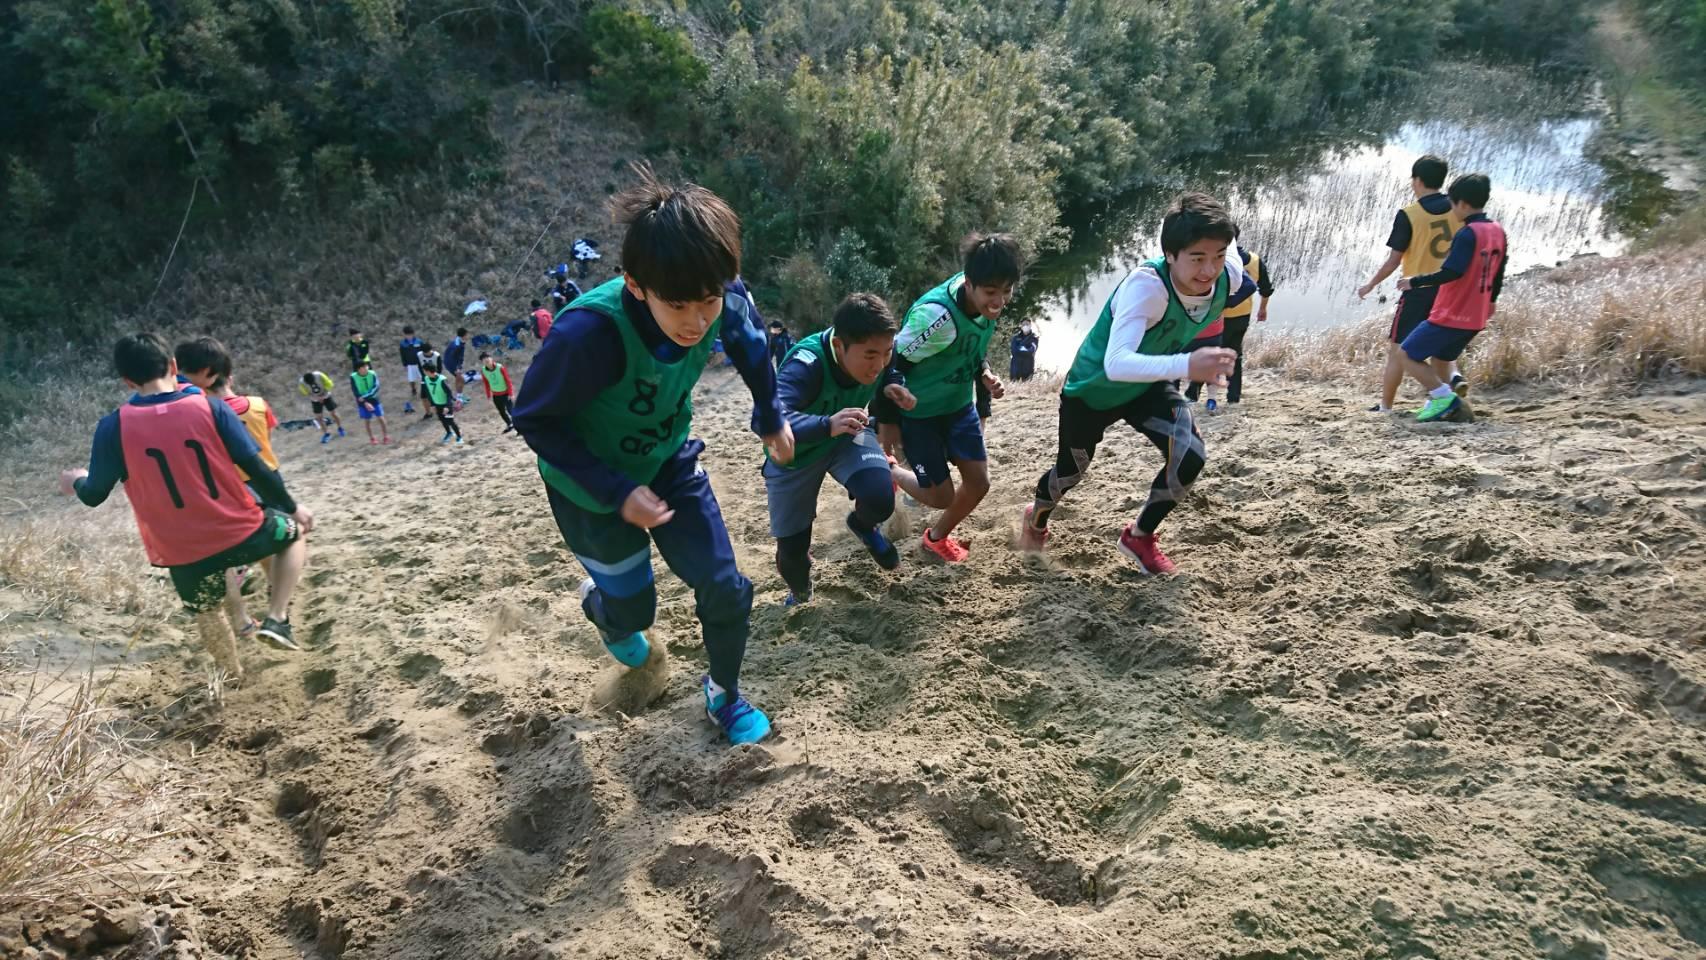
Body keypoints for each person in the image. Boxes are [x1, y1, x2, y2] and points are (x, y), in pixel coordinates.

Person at [513, 166, 794, 746]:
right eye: (678, 305)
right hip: (589, 490)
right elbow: (535, 418)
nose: (697, 322)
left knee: (726, 585)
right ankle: (604, 610)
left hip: (669, 461)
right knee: (634, 612)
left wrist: (771, 416)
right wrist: (617, 492)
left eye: (709, 301)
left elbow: (750, 341)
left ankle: (724, 695)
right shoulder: (588, 335)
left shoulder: (722, 294)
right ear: (636, 285)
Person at [58, 334, 314, 678]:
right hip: (239, 530)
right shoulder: (211, 408)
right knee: (294, 534)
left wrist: (76, 479)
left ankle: (233, 677)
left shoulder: (113, 427)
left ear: (128, 381)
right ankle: (277, 618)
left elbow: (93, 495)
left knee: (208, 612)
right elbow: (257, 469)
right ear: (173, 366)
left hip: (181, 551)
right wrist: (292, 508)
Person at [1016, 192, 1243, 574]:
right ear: (1169, 254)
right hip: (1093, 390)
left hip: (1147, 383)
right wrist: (1189, 364)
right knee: (1070, 472)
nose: (1209, 269)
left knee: (1190, 455)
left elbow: (1230, 242)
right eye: (1197, 258)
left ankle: (1139, 536)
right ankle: (1036, 517)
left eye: (1218, 256)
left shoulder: (1229, 275)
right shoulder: (1148, 287)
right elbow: (1117, 363)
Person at [873, 232, 1023, 564]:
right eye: (991, 292)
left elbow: (971, 349)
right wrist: (888, 422)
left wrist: (984, 374)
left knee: (979, 483)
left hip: (958, 406)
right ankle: (891, 471)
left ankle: (935, 539)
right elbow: (890, 361)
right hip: (921, 416)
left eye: (1007, 290)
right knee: (940, 496)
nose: (999, 301)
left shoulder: (983, 297)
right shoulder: (936, 318)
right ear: (969, 283)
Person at [767, 293, 918, 605]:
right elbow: (771, 418)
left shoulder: (882, 356)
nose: (878, 365)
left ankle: (862, 526)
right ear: (839, 346)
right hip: (795, 454)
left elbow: (891, 368)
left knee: (879, 497)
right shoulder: (805, 364)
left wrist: (894, 383)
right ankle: (800, 593)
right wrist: (826, 424)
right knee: (793, 553)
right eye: (870, 356)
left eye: (886, 352)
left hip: (847, 433)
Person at [175, 336, 287, 644]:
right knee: (273, 542)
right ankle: (276, 597)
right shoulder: (258, 405)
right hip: (267, 480)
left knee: (223, 557)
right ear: (229, 376)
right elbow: (265, 441)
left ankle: (242, 620)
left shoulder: (202, 413)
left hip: (228, 489)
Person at [1356, 154, 1466, 412]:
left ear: (1416, 181)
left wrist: (1370, 284)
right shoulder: (1458, 210)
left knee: (1398, 351)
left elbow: (1394, 261)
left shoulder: (1409, 214)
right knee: (1442, 352)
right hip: (1450, 291)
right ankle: (1452, 384)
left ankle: (1386, 407)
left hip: (1418, 292)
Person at [1396, 173, 1506, 423]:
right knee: (1442, 359)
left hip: (1453, 313)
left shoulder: (1468, 234)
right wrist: (1492, 301)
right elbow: (1499, 271)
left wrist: (1414, 281)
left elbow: (1452, 272)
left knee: (1406, 355)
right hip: (1476, 315)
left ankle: (1445, 398)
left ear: (1463, 204)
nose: (1452, 210)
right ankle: (1445, 404)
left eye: (1453, 204)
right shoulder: (1497, 231)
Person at [1219, 238, 1273, 406]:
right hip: (1242, 316)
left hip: (1218, 316)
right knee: (1235, 355)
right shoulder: (1254, 260)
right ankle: (1233, 396)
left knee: (1208, 351)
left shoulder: (1218, 259)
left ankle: (1194, 393)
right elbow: (1266, 289)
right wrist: (1262, 309)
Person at [350, 359, 391, 444]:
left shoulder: (372, 373)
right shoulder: (353, 377)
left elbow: (376, 387)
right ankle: (372, 438)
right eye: (364, 366)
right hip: (362, 401)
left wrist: (365, 397)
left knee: (380, 417)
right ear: (359, 369)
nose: (367, 367)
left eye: (366, 366)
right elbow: (355, 391)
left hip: (373, 398)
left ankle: (386, 436)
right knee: (367, 420)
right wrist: (364, 402)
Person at [299, 370, 345, 443]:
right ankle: (326, 434)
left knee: (333, 413)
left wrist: (323, 396)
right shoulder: (302, 382)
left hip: (326, 395)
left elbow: (330, 384)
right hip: (315, 399)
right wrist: (316, 398)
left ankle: (340, 428)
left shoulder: (319, 375)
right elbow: (305, 393)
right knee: (319, 417)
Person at [422, 363, 464, 443]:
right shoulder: (426, 379)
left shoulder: (442, 380)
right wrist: (432, 405)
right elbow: (428, 392)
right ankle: (449, 433)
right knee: (442, 420)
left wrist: (447, 406)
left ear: (428, 371)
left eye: (424, 371)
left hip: (446, 404)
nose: (424, 372)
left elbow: (449, 393)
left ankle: (459, 437)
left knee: (450, 421)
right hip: (437, 404)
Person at [478, 352, 518, 434]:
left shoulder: (500, 367)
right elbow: (486, 383)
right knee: (502, 411)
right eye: (484, 359)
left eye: (487, 358)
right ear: (482, 362)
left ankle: (520, 426)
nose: (486, 360)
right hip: (496, 395)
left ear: (491, 358)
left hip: (506, 393)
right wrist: (488, 395)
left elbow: (508, 380)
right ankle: (509, 424)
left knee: (511, 411)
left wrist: (511, 394)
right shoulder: (483, 370)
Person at [400, 326, 425, 413]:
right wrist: (405, 364)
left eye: (410, 334)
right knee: (411, 379)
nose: (409, 336)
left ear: (413, 334)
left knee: (423, 378)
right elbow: (402, 355)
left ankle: (424, 390)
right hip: (410, 364)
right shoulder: (403, 344)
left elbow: (423, 351)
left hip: (419, 364)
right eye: (407, 335)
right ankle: (413, 389)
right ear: (404, 335)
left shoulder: (419, 342)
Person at [417, 343, 442, 419]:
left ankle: (440, 413)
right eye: (425, 352)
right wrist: (424, 376)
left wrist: (434, 378)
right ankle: (428, 413)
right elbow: (420, 366)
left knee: (436, 396)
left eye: (428, 352)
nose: (427, 353)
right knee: (424, 397)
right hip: (425, 378)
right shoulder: (419, 355)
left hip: (434, 378)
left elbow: (439, 369)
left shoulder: (437, 356)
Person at [446, 327, 468, 398]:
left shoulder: (457, 341)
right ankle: (459, 397)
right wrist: (457, 368)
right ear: (464, 335)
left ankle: (459, 396)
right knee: (462, 380)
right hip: (452, 365)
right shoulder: (458, 345)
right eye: (467, 335)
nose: (467, 336)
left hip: (449, 363)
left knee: (458, 379)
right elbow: (454, 357)